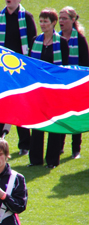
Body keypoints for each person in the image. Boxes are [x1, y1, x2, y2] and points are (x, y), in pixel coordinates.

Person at [0, 0, 37, 156]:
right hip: (1, 71)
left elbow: (32, 43)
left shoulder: (27, 18)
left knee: (20, 107)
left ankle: (24, 144)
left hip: (20, 72)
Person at [28, 8, 69, 169]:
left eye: (46, 21)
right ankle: (35, 159)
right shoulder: (35, 41)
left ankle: (52, 159)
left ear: (53, 23)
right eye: (41, 21)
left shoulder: (62, 43)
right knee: (37, 123)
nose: (42, 24)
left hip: (54, 90)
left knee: (53, 124)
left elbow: (64, 67)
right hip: (38, 89)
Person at [59, 7, 88, 160]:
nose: (61, 21)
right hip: (60, 84)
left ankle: (75, 149)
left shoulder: (80, 40)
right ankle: (60, 146)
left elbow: (85, 63)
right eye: (60, 18)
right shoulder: (56, 37)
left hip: (75, 84)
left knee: (75, 116)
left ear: (72, 20)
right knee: (61, 115)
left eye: (64, 18)